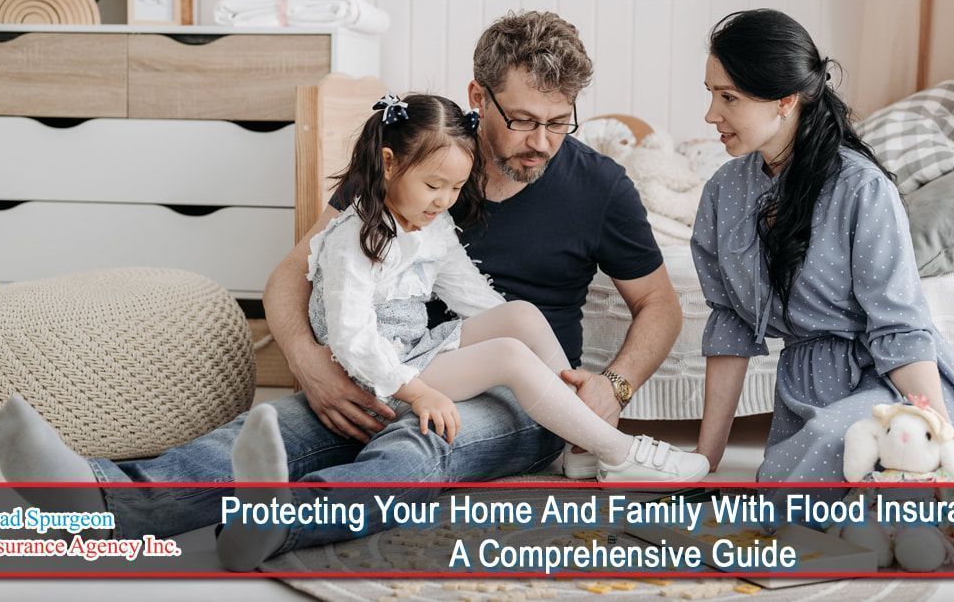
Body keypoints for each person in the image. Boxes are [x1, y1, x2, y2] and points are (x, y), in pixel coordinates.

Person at [0, 10, 684, 569]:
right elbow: (299, 268)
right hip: (386, 360)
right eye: (525, 119)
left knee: (421, 443)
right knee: (276, 430)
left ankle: (278, 523)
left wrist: (613, 388)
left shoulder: (599, 186)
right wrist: (311, 362)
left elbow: (659, 305)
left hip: (519, 391)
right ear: (478, 98)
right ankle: (101, 497)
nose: (542, 141)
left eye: (559, 120)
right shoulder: (417, 152)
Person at [215, 91, 709, 568]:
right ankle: (618, 453)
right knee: (505, 363)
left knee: (521, 318)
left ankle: (582, 443)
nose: (445, 200)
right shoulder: (354, 236)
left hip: (414, 353)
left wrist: (514, 337)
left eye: (456, 188)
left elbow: (476, 298)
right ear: (388, 164)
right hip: (374, 372)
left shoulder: (433, 223)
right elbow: (352, 339)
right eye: (435, 187)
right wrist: (421, 393)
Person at [690, 8, 954, 530]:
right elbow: (731, 324)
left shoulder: (860, 188)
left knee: (833, 471)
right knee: (795, 482)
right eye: (711, 93)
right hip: (806, 391)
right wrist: (705, 461)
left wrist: (940, 434)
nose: (710, 115)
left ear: (785, 100)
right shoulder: (724, 191)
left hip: (887, 382)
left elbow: (900, 328)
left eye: (728, 98)